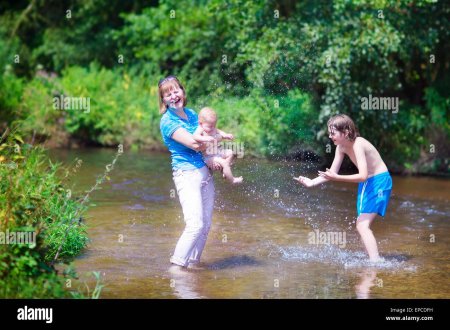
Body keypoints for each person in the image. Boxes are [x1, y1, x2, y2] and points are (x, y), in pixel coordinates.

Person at [294, 114, 392, 262]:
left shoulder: (358, 143)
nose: (330, 136)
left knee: (362, 225)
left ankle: (375, 262)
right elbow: (331, 173)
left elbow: (363, 175)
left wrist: (337, 178)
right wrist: (311, 182)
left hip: (378, 181)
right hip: (369, 183)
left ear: (345, 132)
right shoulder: (341, 147)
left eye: (333, 133)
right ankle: (371, 259)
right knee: (362, 224)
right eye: (329, 133)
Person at [158, 75, 220, 272]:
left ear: (183, 92)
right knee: (195, 225)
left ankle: (192, 266)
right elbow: (194, 143)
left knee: (206, 225)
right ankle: (176, 269)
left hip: (205, 172)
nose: (173, 95)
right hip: (186, 175)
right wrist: (216, 139)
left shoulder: (193, 114)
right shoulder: (167, 121)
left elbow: (207, 137)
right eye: (168, 94)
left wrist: (213, 144)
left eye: (176, 90)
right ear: (164, 100)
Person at [193, 107, 243, 184]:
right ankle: (232, 180)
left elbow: (219, 131)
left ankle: (225, 169)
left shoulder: (212, 127)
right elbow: (195, 136)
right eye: (210, 126)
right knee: (224, 163)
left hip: (217, 152)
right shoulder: (200, 129)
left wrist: (226, 135)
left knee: (231, 153)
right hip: (209, 157)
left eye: (214, 125)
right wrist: (205, 138)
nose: (213, 128)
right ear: (200, 123)